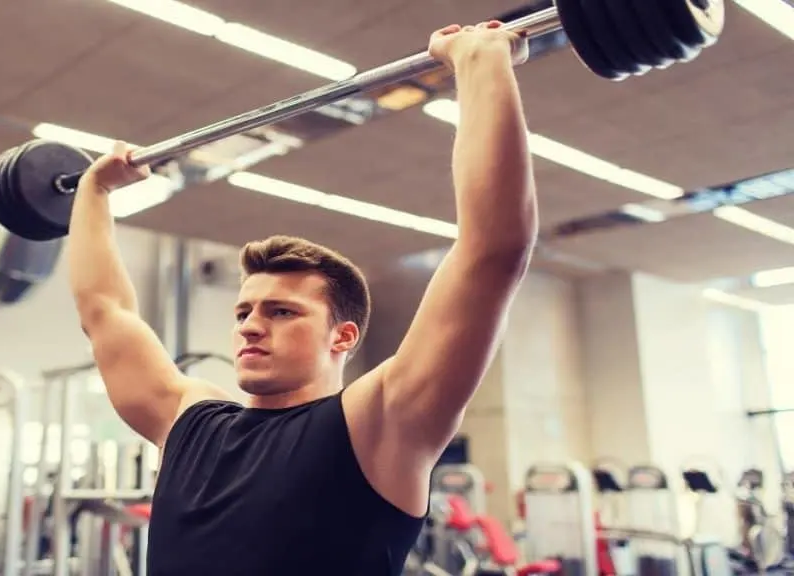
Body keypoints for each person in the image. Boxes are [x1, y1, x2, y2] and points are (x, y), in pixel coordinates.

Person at [67, 20, 537, 576]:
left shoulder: (378, 424)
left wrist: (481, 62)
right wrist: (93, 192)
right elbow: (105, 312)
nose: (248, 325)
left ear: (343, 335)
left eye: (281, 311)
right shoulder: (189, 422)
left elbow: (492, 252)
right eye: (244, 310)